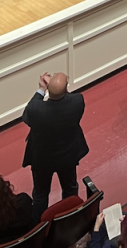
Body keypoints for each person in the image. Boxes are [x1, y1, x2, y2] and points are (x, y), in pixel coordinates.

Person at [21, 70, 88, 219]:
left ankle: (39, 227)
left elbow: (26, 116)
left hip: (42, 160)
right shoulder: (77, 102)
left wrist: (42, 89)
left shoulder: (36, 110)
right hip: (67, 157)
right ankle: (71, 219)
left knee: (40, 194)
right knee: (70, 189)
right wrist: (58, 88)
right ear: (66, 89)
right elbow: (67, 97)